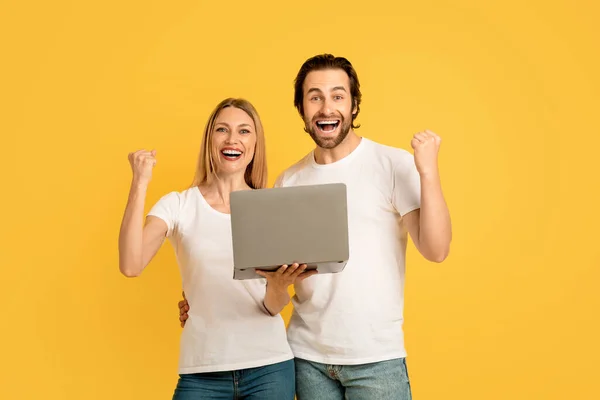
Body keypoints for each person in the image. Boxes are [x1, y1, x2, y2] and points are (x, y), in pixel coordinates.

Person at [179, 54, 452, 399]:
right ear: (302, 109)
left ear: (354, 106)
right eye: (315, 97)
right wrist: (200, 301)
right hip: (305, 358)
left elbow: (436, 249)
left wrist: (428, 172)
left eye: (338, 96)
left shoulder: (392, 164)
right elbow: (265, 273)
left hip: (376, 359)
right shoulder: (288, 181)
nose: (326, 108)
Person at [118, 98, 316, 400]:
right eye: (222, 129)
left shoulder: (271, 208)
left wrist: (278, 286)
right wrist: (140, 182)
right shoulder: (179, 205)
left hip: (269, 368)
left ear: (255, 144)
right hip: (202, 371)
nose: (232, 139)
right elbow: (131, 265)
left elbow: (273, 306)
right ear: (210, 140)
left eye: (244, 131)